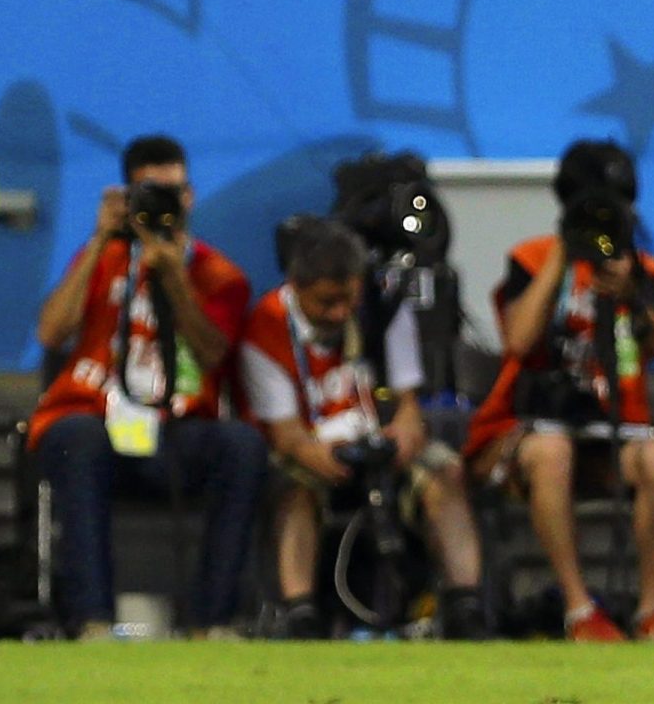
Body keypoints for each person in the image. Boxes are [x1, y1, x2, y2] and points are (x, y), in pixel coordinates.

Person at [29, 134, 266, 639]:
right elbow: (51, 332)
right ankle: (93, 621)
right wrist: (99, 241)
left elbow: (214, 354)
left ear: (190, 196)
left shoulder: (219, 274)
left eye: (175, 192)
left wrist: (175, 277)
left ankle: (213, 622)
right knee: (78, 438)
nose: (166, 204)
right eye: (149, 192)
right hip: (97, 425)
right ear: (127, 195)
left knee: (242, 446)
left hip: (177, 431)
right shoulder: (101, 259)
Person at [463, 140, 654, 642]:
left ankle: (652, 611)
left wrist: (632, 293)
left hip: (612, 429)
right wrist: (565, 254)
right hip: (526, 431)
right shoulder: (532, 257)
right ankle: (578, 610)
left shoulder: (645, 270)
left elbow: (651, 348)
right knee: (551, 451)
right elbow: (520, 341)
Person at [242, 219, 485, 639]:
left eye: (347, 299)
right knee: (291, 490)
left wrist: (407, 433)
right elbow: (285, 434)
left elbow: (409, 406)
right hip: (310, 449)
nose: (339, 313)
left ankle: (467, 604)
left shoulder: (384, 307)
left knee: (445, 472)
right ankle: (300, 611)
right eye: (325, 303)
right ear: (296, 287)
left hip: (380, 445)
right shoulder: (265, 327)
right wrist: (316, 453)